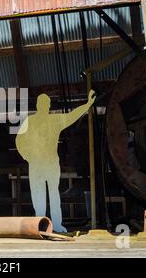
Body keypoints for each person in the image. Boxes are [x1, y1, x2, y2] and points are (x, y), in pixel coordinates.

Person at [16, 90, 96, 232]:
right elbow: (19, 141)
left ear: (47, 106)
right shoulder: (31, 121)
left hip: (49, 163)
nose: (44, 106)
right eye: (43, 103)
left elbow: (72, 115)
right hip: (38, 163)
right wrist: (27, 156)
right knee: (40, 194)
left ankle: (55, 225)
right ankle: (40, 224)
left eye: (46, 103)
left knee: (52, 194)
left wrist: (88, 104)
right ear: (39, 106)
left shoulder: (51, 120)